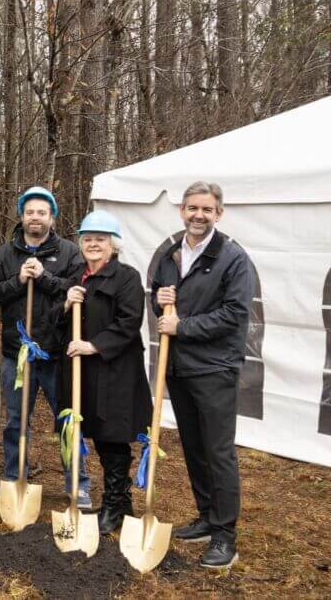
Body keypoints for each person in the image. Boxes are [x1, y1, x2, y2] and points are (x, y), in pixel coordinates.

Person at [152, 181, 253, 569]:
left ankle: (225, 536)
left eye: (206, 210)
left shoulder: (232, 258)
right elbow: (161, 300)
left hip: (214, 369)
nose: (198, 215)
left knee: (219, 452)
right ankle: (207, 518)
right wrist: (158, 299)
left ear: (218, 214)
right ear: (181, 210)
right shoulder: (170, 252)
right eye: (192, 208)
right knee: (194, 448)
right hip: (178, 367)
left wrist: (184, 327)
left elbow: (235, 315)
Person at [55, 211, 152, 535]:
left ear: (113, 245)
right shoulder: (76, 278)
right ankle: (119, 504)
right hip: (84, 374)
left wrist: (93, 346)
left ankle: (115, 503)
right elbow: (54, 325)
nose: (93, 244)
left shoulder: (126, 277)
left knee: (113, 436)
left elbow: (129, 322)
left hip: (116, 372)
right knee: (98, 434)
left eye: (100, 239)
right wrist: (66, 304)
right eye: (87, 239)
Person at [0, 186, 91, 507]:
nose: (35, 218)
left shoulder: (69, 253)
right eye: (30, 212)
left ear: (52, 217)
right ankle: (12, 476)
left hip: (54, 352)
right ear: (21, 216)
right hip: (15, 353)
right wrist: (18, 281)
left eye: (42, 212)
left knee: (67, 418)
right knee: (16, 420)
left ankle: (78, 482)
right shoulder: (5, 254)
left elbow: (78, 290)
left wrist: (45, 278)